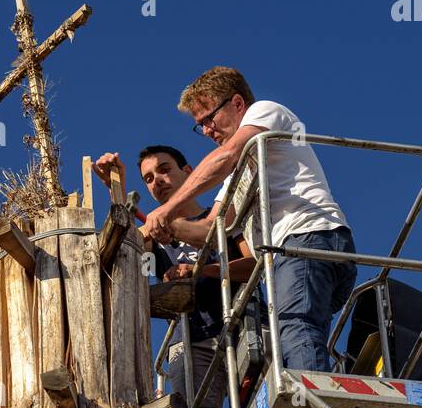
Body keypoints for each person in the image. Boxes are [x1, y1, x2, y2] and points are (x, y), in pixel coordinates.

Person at [142, 67, 357, 374]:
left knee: (296, 330)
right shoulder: (236, 177)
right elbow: (209, 230)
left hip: (306, 238)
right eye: (198, 125)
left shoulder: (265, 112)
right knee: (295, 333)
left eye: (208, 118)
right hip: (290, 259)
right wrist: (169, 226)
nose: (205, 130)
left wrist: (168, 209)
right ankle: (312, 398)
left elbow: (226, 155)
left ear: (237, 103)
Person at [93, 145, 254, 408]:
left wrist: (201, 271)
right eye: (148, 178)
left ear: (188, 170)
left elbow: (252, 264)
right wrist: (116, 188)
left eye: (164, 170)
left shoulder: (219, 216)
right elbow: (134, 266)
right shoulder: (151, 235)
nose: (158, 182)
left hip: (239, 324)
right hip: (190, 338)